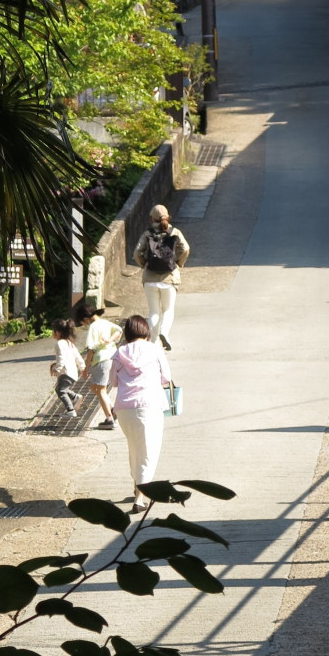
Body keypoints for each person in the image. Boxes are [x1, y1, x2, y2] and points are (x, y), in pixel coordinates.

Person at [108, 314, 171, 511]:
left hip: (125, 409)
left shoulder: (119, 353)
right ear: (146, 331)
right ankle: (139, 499)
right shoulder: (154, 350)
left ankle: (137, 488)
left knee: (135, 448)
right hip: (149, 406)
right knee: (148, 452)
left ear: (127, 332)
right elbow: (166, 378)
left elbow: (113, 382)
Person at [132, 203, 189, 349]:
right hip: (169, 278)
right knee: (168, 310)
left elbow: (137, 253)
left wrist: (144, 264)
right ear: (167, 217)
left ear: (152, 219)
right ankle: (164, 332)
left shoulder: (147, 234)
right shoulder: (175, 232)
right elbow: (185, 248)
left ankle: (153, 341)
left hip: (150, 278)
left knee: (153, 311)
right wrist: (178, 263)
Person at [73, 300, 122, 430]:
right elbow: (119, 330)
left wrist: (86, 368)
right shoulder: (105, 322)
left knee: (100, 390)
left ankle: (110, 419)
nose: (83, 325)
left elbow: (91, 349)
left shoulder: (93, 327)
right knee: (94, 387)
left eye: (82, 323)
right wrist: (110, 340)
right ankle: (111, 409)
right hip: (113, 358)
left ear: (85, 319)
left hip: (101, 360)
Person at [49, 318, 83, 416]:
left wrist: (57, 368)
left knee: (60, 390)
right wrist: (82, 366)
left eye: (53, 331)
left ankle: (70, 410)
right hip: (72, 373)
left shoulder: (59, 343)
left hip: (66, 373)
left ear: (58, 332)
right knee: (61, 389)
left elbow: (61, 357)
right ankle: (75, 397)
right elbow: (77, 356)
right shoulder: (69, 343)